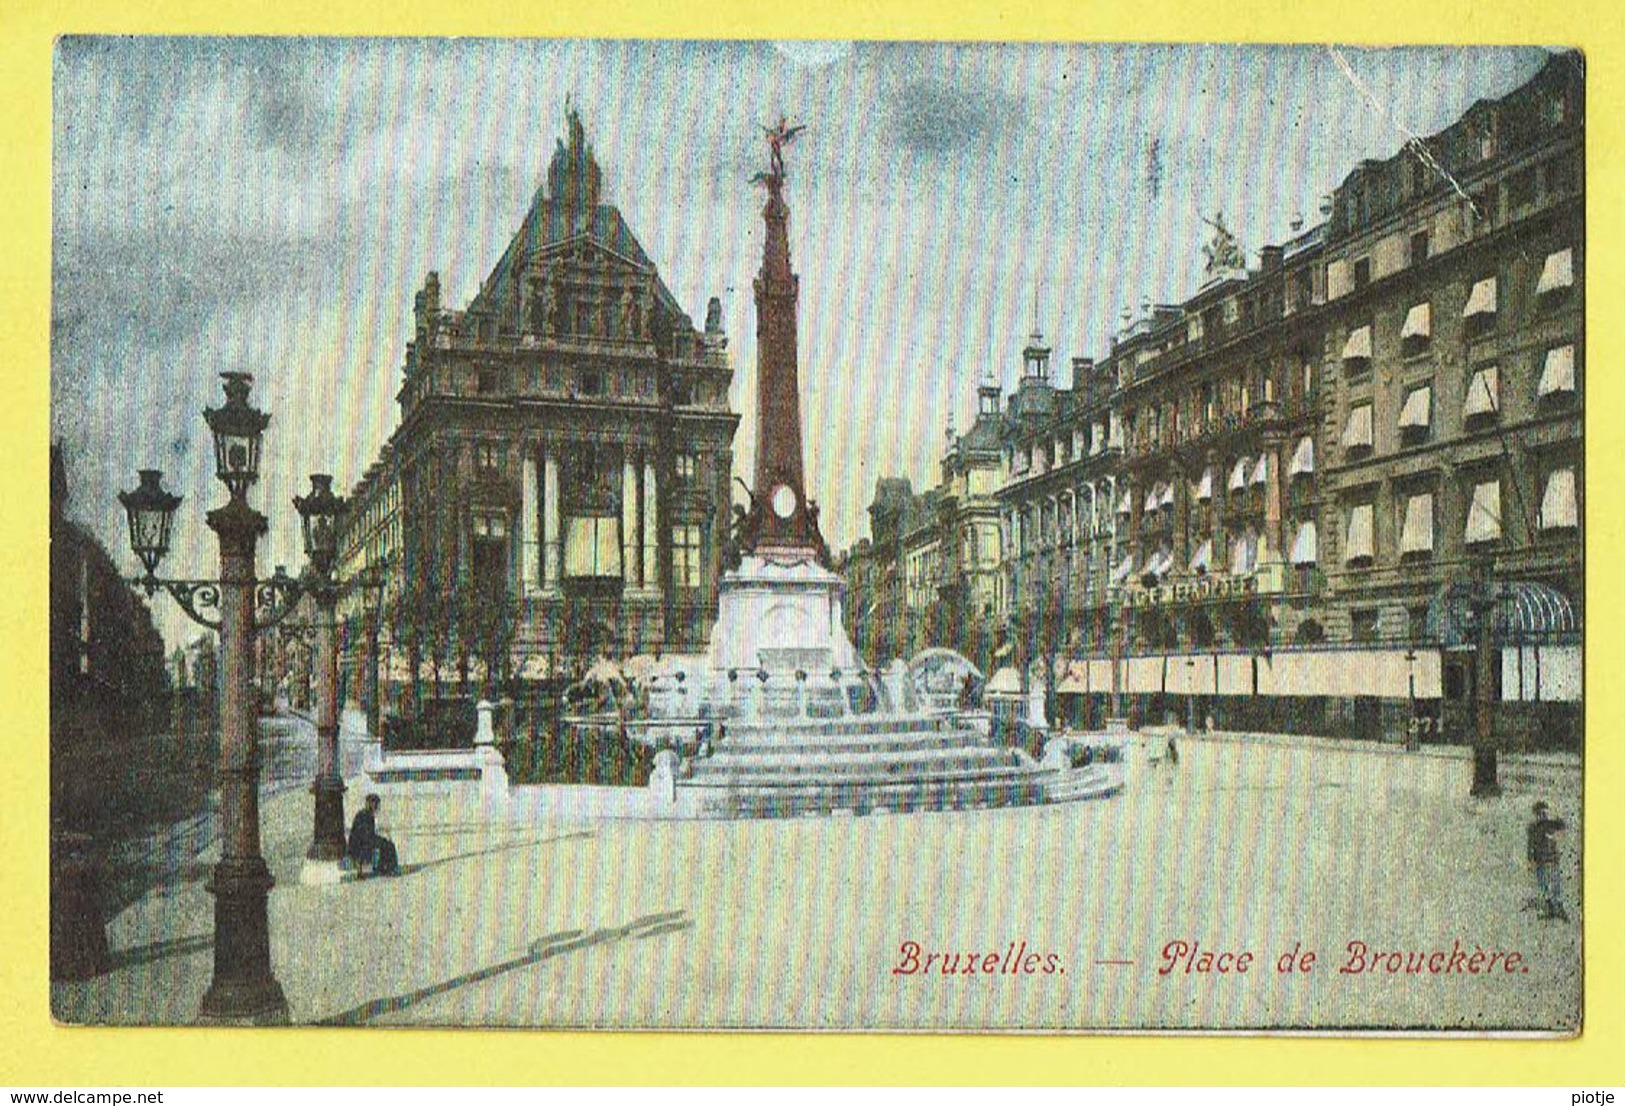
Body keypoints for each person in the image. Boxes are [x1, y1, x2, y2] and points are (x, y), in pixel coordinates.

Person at [1526, 800, 1568, 921]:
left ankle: (1555, 907)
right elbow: (1530, 846)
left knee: (1553, 884)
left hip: (1550, 861)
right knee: (1545, 885)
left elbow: (1562, 826)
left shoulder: (1549, 825)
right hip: (1543, 861)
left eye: (1544, 812)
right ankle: (1549, 908)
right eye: (1540, 813)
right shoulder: (1534, 828)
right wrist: (1531, 860)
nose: (1542, 815)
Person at [347, 794, 400, 878]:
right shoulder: (365, 815)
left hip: (362, 842)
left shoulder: (366, 814)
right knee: (388, 845)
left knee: (386, 843)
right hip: (360, 844)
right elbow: (365, 835)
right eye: (375, 803)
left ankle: (384, 867)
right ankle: (387, 868)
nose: (377, 806)